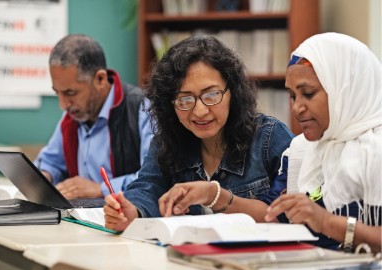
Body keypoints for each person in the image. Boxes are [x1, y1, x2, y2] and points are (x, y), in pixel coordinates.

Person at [104, 36, 294, 232]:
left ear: (233, 92)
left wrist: (215, 195)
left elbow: (287, 216)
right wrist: (131, 212)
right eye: (185, 99)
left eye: (211, 95)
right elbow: (148, 188)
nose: (200, 111)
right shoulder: (167, 141)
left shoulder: (269, 137)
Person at [265, 33, 382, 253]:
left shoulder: (376, 149)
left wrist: (327, 222)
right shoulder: (303, 149)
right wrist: (218, 196)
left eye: (308, 94)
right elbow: (272, 213)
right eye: (292, 96)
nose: (297, 108)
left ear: (346, 89)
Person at [35, 34, 153, 199]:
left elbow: (153, 180)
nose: (63, 105)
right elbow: (50, 162)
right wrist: (44, 177)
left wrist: (100, 189)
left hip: (128, 219)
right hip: (81, 216)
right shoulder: (72, 116)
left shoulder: (143, 109)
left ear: (100, 79)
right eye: (58, 93)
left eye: (70, 92)